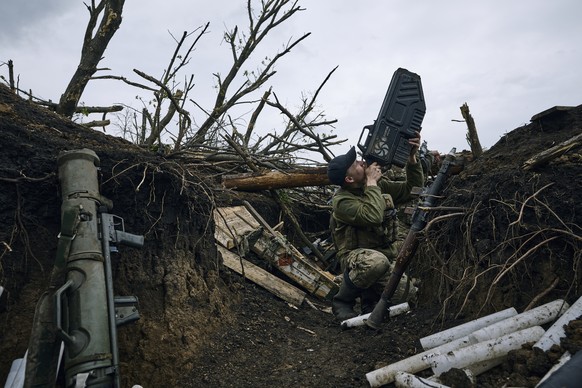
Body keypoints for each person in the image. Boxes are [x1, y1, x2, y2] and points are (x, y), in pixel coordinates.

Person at [327, 133, 424, 321]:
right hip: (357, 258)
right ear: (348, 179)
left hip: (385, 258)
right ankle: (342, 301)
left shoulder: (377, 186)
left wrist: (412, 158)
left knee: (408, 295)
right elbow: (372, 216)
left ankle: (369, 299)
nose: (362, 163)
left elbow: (412, 189)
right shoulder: (341, 202)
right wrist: (372, 183)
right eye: (355, 164)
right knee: (375, 262)